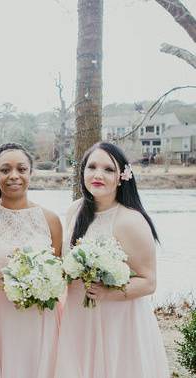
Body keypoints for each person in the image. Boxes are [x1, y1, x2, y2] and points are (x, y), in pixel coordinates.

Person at [55, 142, 169, 378]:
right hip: (78, 314)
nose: (98, 174)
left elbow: (149, 282)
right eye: (92, 167)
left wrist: (107, 292)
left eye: (108, 169)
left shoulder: (131, 220)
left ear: (121, 176)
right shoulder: (75, 210)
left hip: (117, 319)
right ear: (83, 172)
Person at [0, 142, 62, 378]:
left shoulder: (50, 219)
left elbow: (59, 274)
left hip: (41, 318)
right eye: (5, 170)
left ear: (31, 172)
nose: (13, 176)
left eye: (21, 169)